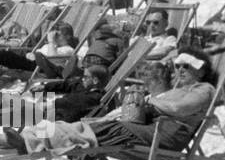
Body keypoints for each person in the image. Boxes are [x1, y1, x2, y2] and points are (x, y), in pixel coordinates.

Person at [88, 51, 217, 152]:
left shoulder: (203, 89)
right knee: (94, 127)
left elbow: (177, 109)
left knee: (111, 128)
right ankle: (73, 134)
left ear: (201, 72)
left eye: (187, 66)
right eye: (178, 66)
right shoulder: (179, 90)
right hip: (151, 130)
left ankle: (73, 135)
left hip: (165, 136)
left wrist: (151, 100)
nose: (181, 70)